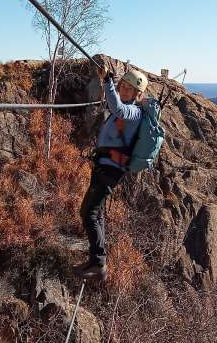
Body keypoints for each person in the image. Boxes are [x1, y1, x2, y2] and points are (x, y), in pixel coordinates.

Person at [73, 61, 149, 281]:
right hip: (104, 167)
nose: (123, 89)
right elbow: (114, 107)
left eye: (128, 88)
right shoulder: (126, 112)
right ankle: (95, 260)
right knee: (97, 214)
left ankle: (98, 264)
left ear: (138, 94)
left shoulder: (133, 113)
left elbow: (117, 107)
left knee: (88, 213)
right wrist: (111, 83)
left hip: (110, 170)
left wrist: (107, 82)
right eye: (122, 86)